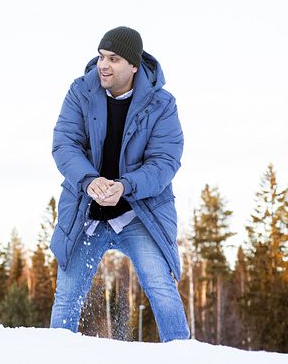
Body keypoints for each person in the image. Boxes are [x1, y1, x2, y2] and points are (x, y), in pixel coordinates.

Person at [49, 26, 189, 342]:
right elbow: (64, 144)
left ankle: (183, 355)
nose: (104, 65)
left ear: (134, 66)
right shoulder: (80, 92)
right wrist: (89, 180)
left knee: (161, 289)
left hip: (139, 214)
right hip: (86, 213)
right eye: (101, 57)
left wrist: (125, 186)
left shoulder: (161, 104)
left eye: (114, 58)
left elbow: (165, 161)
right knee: (67, 299)